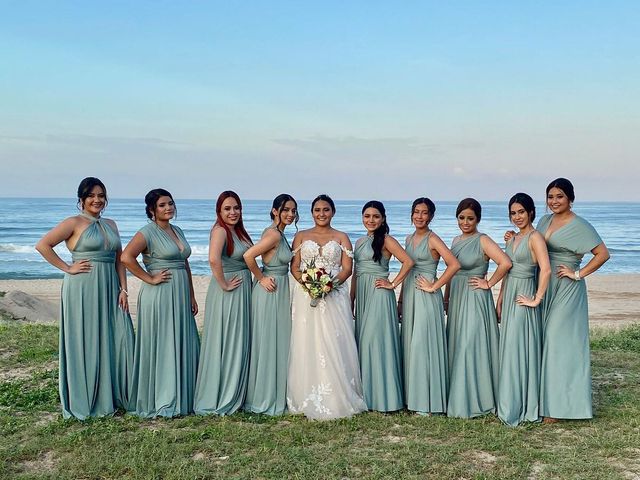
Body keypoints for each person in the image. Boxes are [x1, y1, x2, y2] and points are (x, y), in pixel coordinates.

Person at [36, 177, 135, 419]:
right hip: (83, 288)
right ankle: (88, 398)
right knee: (87, 337)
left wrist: (123, 289)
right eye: (91, 195)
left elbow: (119, 259)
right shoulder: (73, 222)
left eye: (101, 195)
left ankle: (117, 394)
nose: (97, 200)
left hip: (111, 287)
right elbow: (43, 245)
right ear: (81, 199)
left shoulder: (111, 224)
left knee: (120, 335)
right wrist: (67, 268)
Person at [287, 194, 367, 420]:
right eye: (317, 210)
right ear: (311, 212)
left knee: (334, 340)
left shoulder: (341, 237)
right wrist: (309, 285)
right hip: (307, 296)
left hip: (335, 294)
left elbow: (347, 268)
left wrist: (329, 286)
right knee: (307, 340)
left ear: (333, 212)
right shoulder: (301, 237)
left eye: (326, 209)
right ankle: (305, 393)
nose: (321, 214)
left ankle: (339, 395)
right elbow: (294, 268)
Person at [121, 189, 200, 418]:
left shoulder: (177, 230)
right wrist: (150, 277)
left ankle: (186, 395)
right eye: (163, 205)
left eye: (171, 203)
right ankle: (163, 398)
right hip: (160, 294)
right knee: (164, 342)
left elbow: (185, 264)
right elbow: (126, 257)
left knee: (182, 339)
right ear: (152, 210)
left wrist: (192, 295)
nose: (168, 208)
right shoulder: (147, 232)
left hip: (181, 293)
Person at [536, 178, 609, 421]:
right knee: (545, 341)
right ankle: (544, 401)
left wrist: (577, 274)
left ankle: (560, 407)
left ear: (570, 199)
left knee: (560, 344)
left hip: (567, 289)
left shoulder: (581, 225)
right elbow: (535, 246)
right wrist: (514, 237)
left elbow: (603, 254)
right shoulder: (544, 220)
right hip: (545, 285)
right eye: (550, 197)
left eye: (559, 196)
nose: (554, 201)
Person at [445, 198, 512, 418]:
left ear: (478, 219)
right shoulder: (455, 241)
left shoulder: (483, 240)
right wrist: (446, 296)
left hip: (475, 296)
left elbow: (505, 263)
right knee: (457, 343)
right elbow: (451, 272)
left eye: (470, 218)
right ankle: (458, 395)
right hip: (456, 295)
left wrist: (489, 283)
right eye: (461, 218)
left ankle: (476, 400)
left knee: (470, 345)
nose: (465, 222)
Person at [351, 200, 414, 412]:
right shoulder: (359, 241)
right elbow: (355, 274)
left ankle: (384, 399)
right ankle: (366, 397)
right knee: (362, 342)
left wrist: (393, 284)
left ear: (383, 219)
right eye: (367, 216)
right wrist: (351, 300)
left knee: (376, 343)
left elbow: (408, 262)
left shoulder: (387, 240)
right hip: (363, 294)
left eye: (375, 216)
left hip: (379, 293)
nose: (371, 220)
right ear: (362, 218)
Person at [194, 191, 253, 416]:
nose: (233, 212)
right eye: (227, 208)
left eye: (236, 207)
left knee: (237, 339)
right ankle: (220, 394)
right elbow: (212, 259)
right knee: (227, 340)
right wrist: (224, 284)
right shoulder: (220, 230)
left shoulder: (237, 231)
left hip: (241, 288)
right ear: (219, 211)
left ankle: (236, 388)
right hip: (229, 291)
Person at [401, 197, 460, 415]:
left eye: (424, 212)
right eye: (416, 212)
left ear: (431, 216)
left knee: (423, 346)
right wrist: (400, 299)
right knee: (410, 344)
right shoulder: (408, 239)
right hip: (410, 294)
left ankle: (428, 403)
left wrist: (435, 286)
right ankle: (412, 398)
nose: (419, 216)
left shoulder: (433, 239)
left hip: (426, 296)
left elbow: (454, 264)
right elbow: (407, 269)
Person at [496, 193, 551, 426]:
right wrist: (500, 298)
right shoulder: (513, 238)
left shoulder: (535, 237)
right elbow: (507, 269)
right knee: (509, 347)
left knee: (519, 348)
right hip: (510, 293)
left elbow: (546, 269)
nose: (517, 217)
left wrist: (536, 299)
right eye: (513, 213)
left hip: (524, 293)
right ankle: (509, 401)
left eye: (521, 212)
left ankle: (521, 405)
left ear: (530, 212)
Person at [242, 194, 298, 415]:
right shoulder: (273, 235)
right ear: (275, 211)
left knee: (277, 340)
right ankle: (264, 396)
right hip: (270, 291)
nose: (290, 214)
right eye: (285, 210)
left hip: (281, 288)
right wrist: (261, 278)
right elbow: (249, 255)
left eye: (293, 210)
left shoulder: (281, 234)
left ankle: (274, 391)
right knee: (268, 341)